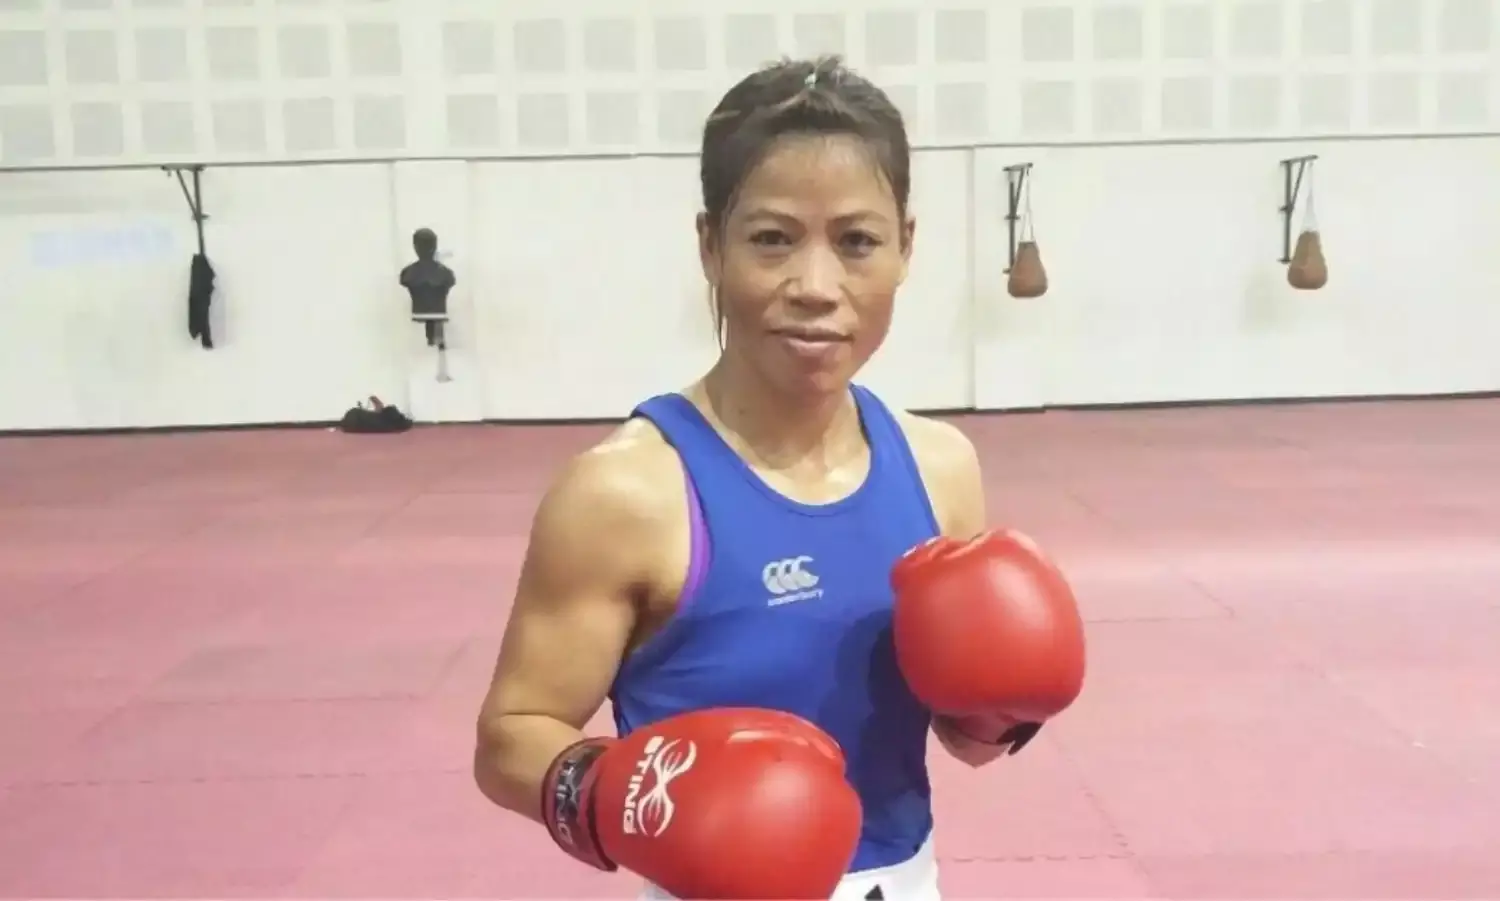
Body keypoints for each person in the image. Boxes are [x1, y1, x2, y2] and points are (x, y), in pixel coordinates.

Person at [474, 55, 1019, 900]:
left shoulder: (941, 468)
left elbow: (965, 733)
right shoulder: (627, 493)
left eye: (857, 241)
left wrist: (999, 704)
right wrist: (624, 796)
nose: (816, 286)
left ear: (905, 247)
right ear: (710, 246)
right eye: (772, 238)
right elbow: (512, 735)